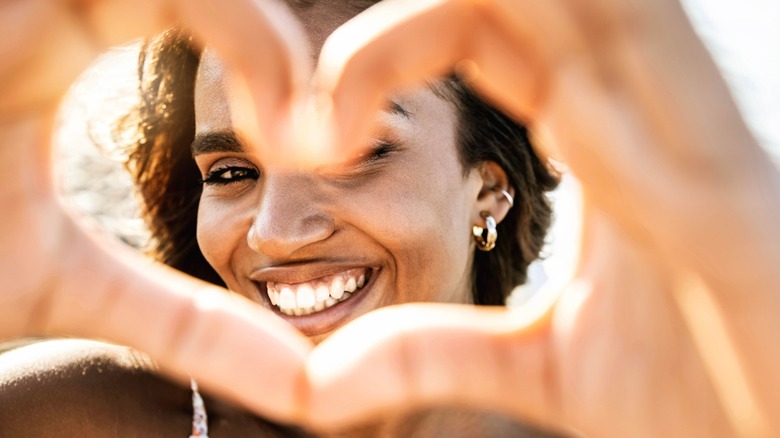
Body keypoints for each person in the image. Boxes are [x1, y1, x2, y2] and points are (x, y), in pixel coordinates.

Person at [1, 0, 779, 437]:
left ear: (490, 187)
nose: (275, 231)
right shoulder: (69, 419)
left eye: (356, 155)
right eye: (231, 173)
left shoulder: (647, 423)